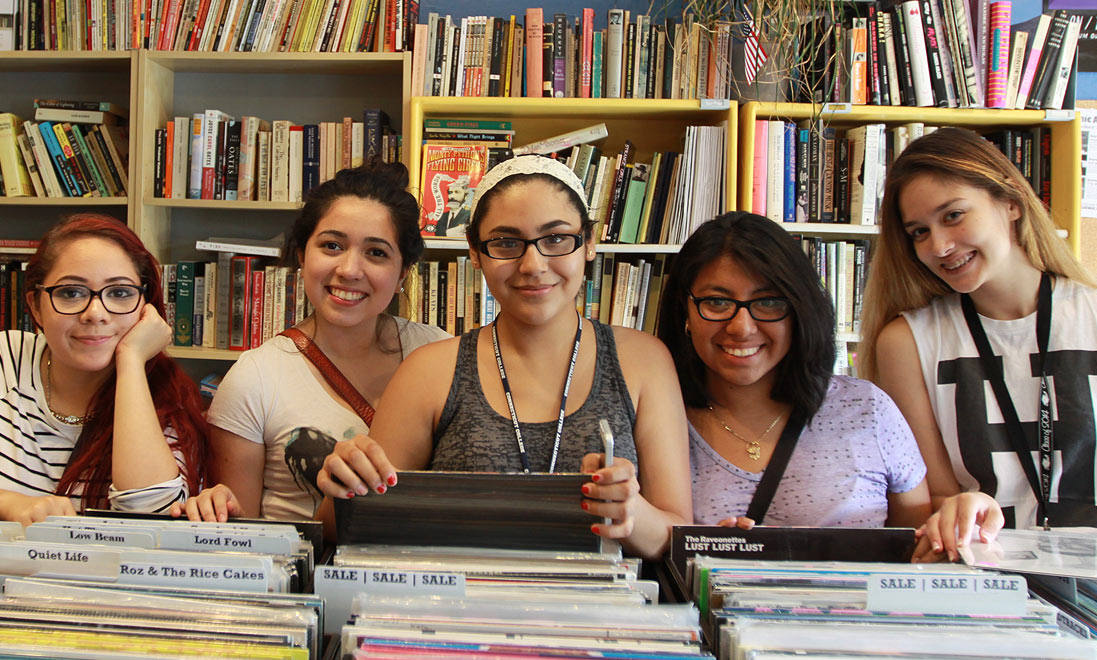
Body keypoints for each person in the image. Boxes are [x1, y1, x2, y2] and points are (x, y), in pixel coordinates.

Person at [315, 155, 692, 558]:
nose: (533, 265)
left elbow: (678, 536)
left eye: (556, 239)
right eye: (506, 243)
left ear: (589, 244)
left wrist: (630, 512)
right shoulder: (429, 371)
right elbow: (344, 527)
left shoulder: (644, 362)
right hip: (462, 611)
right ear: (475, 252)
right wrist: (346, 482)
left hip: (607, 614)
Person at [862, 127, 1097, 559]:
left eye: (952, 215)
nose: (940, 246)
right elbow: (932, 500)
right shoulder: (907, 342)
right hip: (985, 583)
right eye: (918, 232)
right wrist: (960, 511)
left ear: (1010, 202)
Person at [0, 214, 210, 525]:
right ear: (37, 307)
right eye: (70, 293)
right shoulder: (1, 358)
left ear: (145, 306)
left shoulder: (166, 397)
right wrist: (8, 504)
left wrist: (132, 361)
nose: (95, 313)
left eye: (120, 293)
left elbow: (151, 518)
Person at [188, 162, 448, 522]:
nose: (349, 270)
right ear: (302, 255)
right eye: (331, 246)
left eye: (376, 253)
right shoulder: (255, 378)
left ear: (403, 271)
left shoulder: (438, 354)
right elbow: (242, 535)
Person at [655, 212, 930, 529]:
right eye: (717, 302)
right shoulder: (654, 417)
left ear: (799, 309)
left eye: (768, 301)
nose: (741, 327)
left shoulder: (868, 409)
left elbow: (917, 554)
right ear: (684, 312)